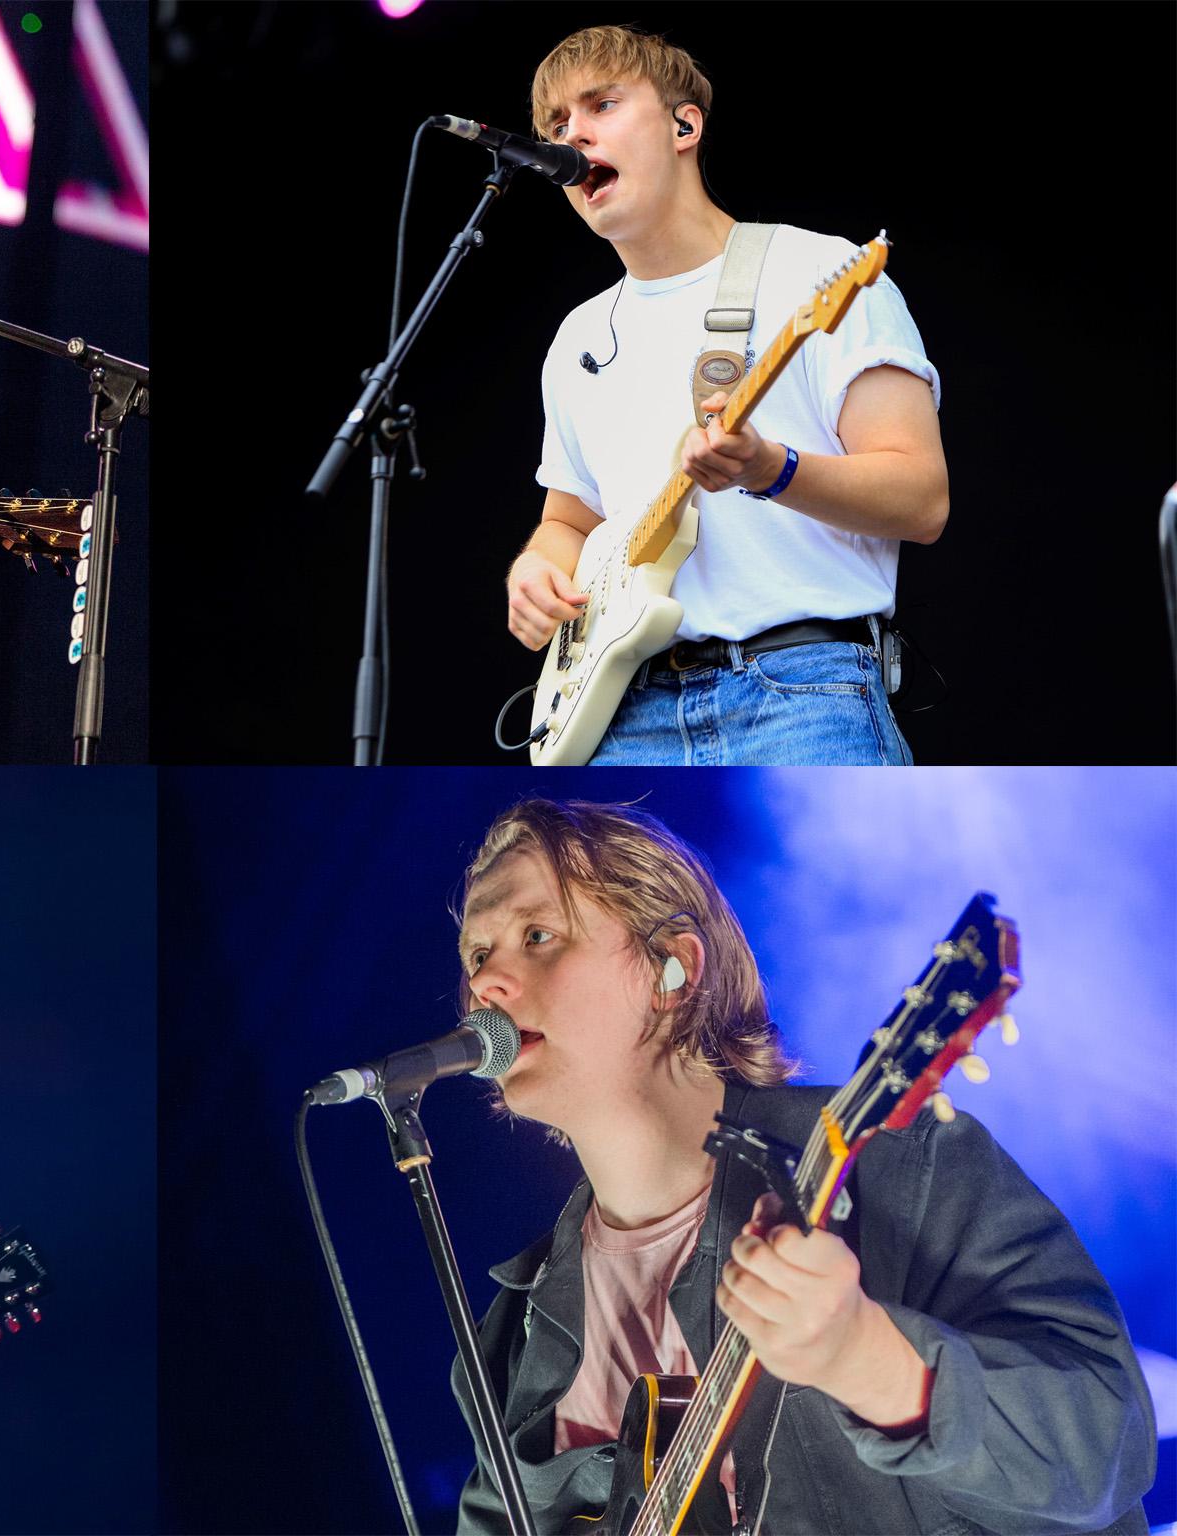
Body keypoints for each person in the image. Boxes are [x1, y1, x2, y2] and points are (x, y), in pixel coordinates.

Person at [448, 800, 1153, 1533]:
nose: (487, 983)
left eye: (537, 936)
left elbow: (1110, 1443)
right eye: (476, 954)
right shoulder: (510, 1338)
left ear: (674, 969)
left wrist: (868, 1360)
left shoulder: (901, 1169)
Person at [504, 26, 949, 765]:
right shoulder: (576, 337)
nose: (572, 133)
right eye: (555, 124)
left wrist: (769, 468)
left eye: (602, 105)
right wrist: (534, 570)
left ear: (685, 124)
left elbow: (922, 498)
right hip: (623, 712)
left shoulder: (819, 269)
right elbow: (569, 522)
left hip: (801, 694)